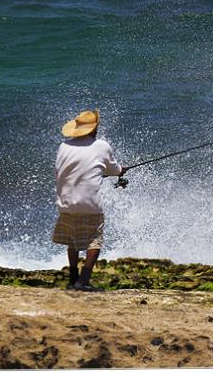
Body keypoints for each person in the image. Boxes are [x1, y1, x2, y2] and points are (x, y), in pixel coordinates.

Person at [52, 109, 127, 291]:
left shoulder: (64, 146)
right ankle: (83, 281)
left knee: (73, 240)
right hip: (90, 205)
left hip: (66, 204)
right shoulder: (101, 146)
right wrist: (120, 171)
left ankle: (72, 278)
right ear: (95, 129)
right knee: (94, 240)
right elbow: (114, 170)